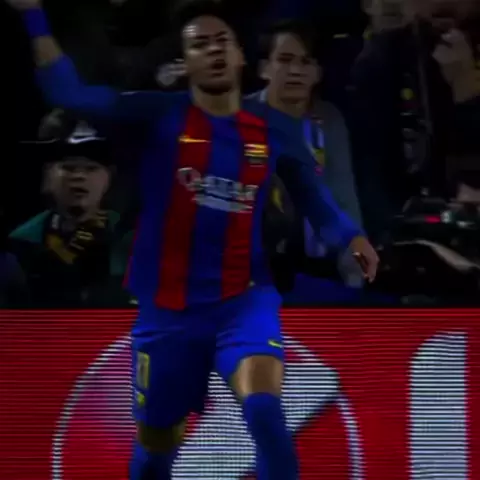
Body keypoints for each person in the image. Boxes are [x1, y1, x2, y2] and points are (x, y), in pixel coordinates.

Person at [9, 1, 379, 479]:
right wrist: (33, 14)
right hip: (169, 310)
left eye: (222, 41)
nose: (214, 50)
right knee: (157, 446)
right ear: (186, 62)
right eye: (200, 44)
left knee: (266, 412)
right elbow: (67, 92)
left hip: (244, 301)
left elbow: (315, 199)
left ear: (240, 56)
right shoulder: (157, 114)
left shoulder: (273, 130)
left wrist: (351, 237)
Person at [255, 19, 365, 288]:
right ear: (264, 68)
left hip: (317, 264)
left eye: (305, 62)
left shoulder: (329, 120)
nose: (296, 70)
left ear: (317, 73)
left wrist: (356, 272)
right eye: (285, 60)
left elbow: (344, 199)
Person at [10, 120, 131, 307]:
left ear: (110, 177)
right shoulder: (22, 241)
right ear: (48, 175)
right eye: (68, 168)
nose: (78, 176)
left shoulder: (130, 237)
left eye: (91, 168)